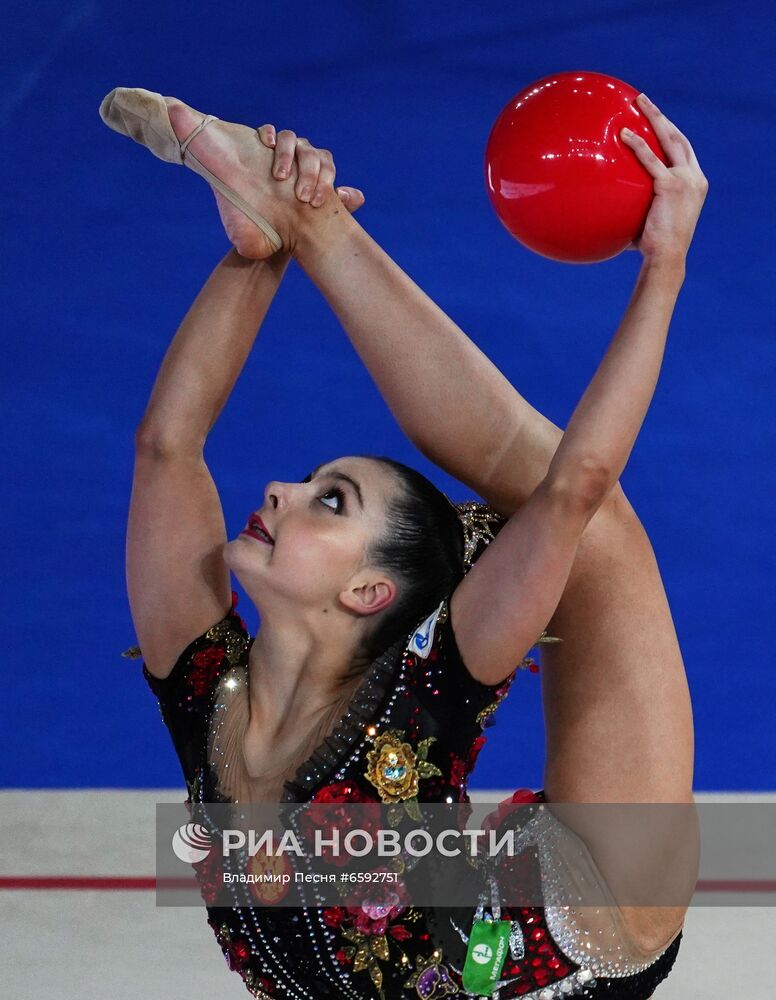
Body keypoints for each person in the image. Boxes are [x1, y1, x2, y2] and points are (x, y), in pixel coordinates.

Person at [103, 85, 706, 999]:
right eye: (325, 495)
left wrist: (664, 269)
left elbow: (577, 485)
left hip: (594, 918)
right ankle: (300, 220)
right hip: (498, 937)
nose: (280, 490)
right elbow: (168, 449)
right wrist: (253, 254)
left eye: (324, 500)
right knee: (573, 512)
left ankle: (316, 228)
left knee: (589, 526)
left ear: (371, 594)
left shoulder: (416, 683)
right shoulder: (214, 695)